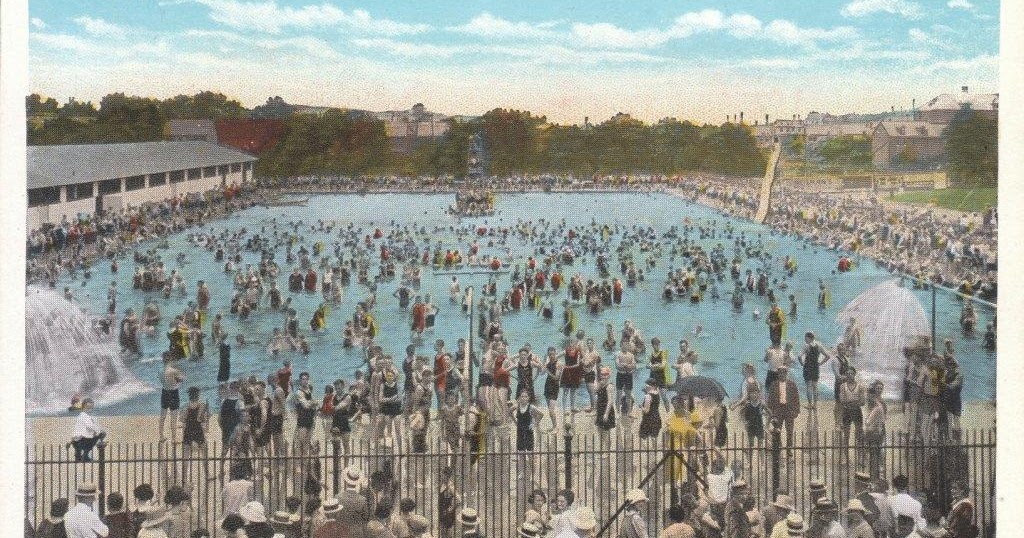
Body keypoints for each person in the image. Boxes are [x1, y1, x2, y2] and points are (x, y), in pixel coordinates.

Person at [797, 332, 831, 408]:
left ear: (809, 338)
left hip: (807, 367)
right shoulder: (819, 345)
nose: (805, 339)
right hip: (816, 366)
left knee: (809, 386)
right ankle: (815, 405)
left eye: (805, 338)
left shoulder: (806, 346)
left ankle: (809, 404)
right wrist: (820, 363)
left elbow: (799, 356)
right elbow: (828, 356)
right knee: (815, 386)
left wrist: (802, 364)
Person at [337, 466, 372, 538]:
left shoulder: (338, 497)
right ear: (357, 482)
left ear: (346, 481)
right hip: (357, 533)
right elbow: (366, 518)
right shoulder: (362, 500)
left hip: (342, 533)